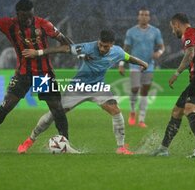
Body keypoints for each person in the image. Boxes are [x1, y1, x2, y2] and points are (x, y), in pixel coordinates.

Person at [0, 0, 76, 154]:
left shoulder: (43, 24)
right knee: (6, 107)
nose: (28, 20)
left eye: (30, 16)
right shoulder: (9, 24)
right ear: (17, 14)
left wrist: (76, 49)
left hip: (43, 74)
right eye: (24, 17)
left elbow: (65, 41)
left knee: (57, 109)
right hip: (23, 74)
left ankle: (65, 143)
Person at [17, 30, 148, 154]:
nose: (102, 49)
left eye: (106, 47)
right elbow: (65, 48)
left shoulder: (117, 52)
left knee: (115, 111)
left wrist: (143, 63)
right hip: (77, 88)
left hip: (98, 87)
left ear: (112, 45)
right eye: (101, 45)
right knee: (54, 113)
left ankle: (121, 147)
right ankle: (30, 139)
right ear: (98, 41)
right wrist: (39, 53)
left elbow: (128, 57)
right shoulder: (88, 48)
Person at [152, 13, 195, 158]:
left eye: (173, 28)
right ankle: (163, 148)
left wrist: (176, 73)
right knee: (177, 111)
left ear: (177, 24)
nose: (173, 31)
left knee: (189, 109)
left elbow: (190, 54)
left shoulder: (189, 34)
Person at [119, 8, 165, 128]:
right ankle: (133, 111)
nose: (144, 17)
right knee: (135, 88)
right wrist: (121, 64)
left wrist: (159, 53)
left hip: (149, 65)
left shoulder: (155, 31)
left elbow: (161, 46)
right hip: (135, 64)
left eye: (146, 15)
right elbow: (126, 49)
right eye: (142, 15)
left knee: (144, 91)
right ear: (138, 17)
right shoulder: (131, 32)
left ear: (149, 17)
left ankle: (142, 119)